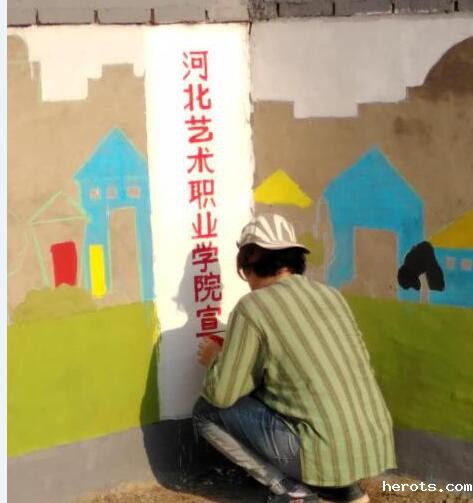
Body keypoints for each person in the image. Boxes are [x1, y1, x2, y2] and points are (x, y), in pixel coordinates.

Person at [193, 213, 396, 503]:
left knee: (206, 411)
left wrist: (216, 358)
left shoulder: (252, 307)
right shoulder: (331, 295)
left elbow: (222, 395)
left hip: (322, 449)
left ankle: (291, 490)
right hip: (371, 442)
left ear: (248, 264)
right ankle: (345, 489)